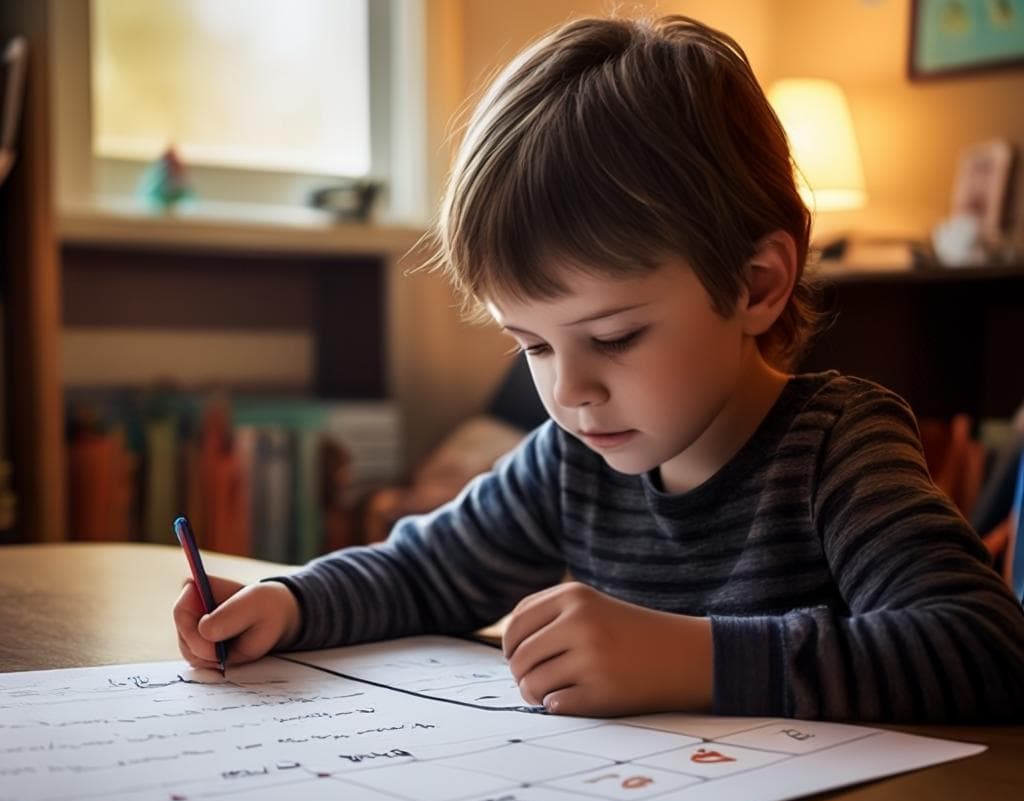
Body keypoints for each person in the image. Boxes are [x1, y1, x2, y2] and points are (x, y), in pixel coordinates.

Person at [173, 14, 1024, 722]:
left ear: (758, 284)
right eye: (533, 346)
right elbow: (424, 571)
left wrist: (692, 659)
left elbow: (984, 649)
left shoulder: (837, 448)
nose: (568, 392)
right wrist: (290, 604)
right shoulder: (571, 461)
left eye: (613, 337)